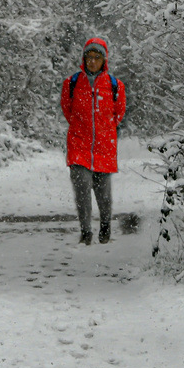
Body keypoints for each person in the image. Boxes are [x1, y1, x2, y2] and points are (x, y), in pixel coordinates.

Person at [60, 36, 127, 245]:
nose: (92, 61)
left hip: (104, 146)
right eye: (89, 56)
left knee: (103, 193)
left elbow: (119, 113)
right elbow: (67, 110)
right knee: (81, 189)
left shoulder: (115, 85)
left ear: (104, 60)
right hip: (79, 145)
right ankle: (86, 231)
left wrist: (104, 130)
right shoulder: (71, 83)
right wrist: (83, 128)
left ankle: (105, 226)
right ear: (83, 58)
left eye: (97, 57)